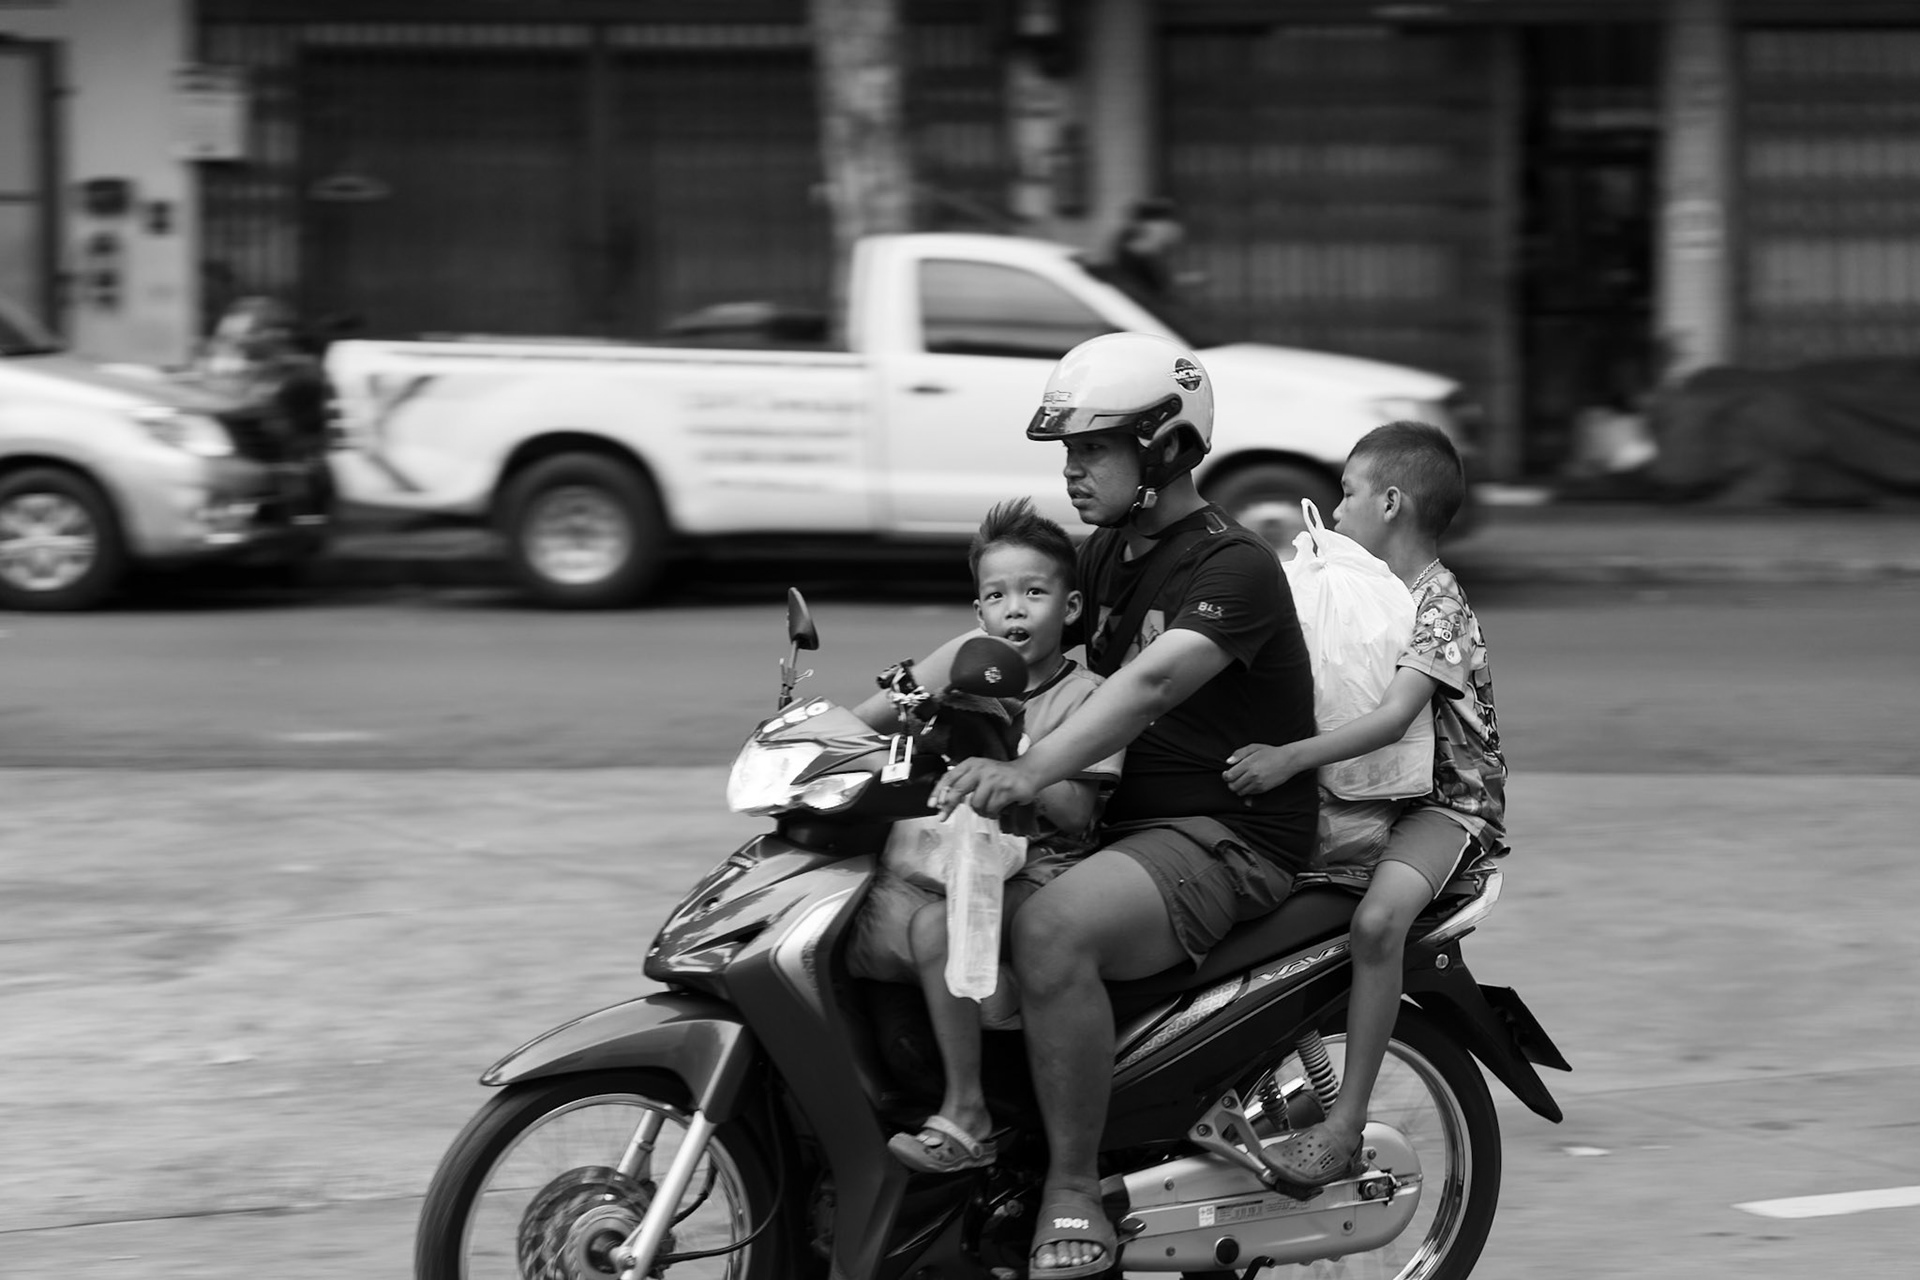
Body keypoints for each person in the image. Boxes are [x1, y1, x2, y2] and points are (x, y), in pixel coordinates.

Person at [932, 332, 1317, 1279]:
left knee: (1050, 931)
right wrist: (872, 713)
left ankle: (1072, 1190)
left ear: (1166, 449)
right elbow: (1010, 640)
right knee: (934, 900)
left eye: (1094, 448)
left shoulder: (1233, 566)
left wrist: (1030, 771)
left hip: (1223, 836)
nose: (1073, 469)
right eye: (1068, 450)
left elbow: (1149, 685)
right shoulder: (1106, 554)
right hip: (1121, 825)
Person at [1222, 419, 1508, 1186]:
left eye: (1347, 493)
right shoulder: (1354, 591)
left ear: (1390, 503)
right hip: (1364, 791)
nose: (1337, 509)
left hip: (1444, 808)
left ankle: (1346, 1123)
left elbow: (1390, 717)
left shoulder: (1438, 604)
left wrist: (1287, 758)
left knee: (1377, 925)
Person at [846, 498, 1124, 1175]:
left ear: (1071, 607)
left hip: (1046, 870)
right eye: (997, 596)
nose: (1014, 610)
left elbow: (1074, 811)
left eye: (1034, 593)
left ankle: (968, 1112)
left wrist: (1011, 760)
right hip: (960, 860)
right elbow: (870, 730)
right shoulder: (962, 685)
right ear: (978, 614)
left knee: (936, 929)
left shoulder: (1089, 697)